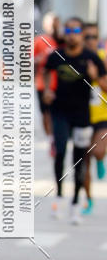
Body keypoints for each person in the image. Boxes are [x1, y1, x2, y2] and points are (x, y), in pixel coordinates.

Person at [43, 16, 107, 223]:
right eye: (68, 31)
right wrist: (47, 92)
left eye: (76, 31)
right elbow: (45, 72)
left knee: (79, 159)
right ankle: (60, 194)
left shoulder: (91, 57)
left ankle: (76, 202)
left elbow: (105, 85)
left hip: (82, 115)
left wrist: (95, 75)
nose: (72, 35)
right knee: (60, 152)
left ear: (81, 34)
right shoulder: (56, 56)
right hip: (60, 112)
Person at [81, 22, 107, 213]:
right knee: (83, 161)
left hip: (101, 114)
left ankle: (101, 158)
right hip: (81, 115)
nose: (90, 41)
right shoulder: (76, 58)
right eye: (87, 37)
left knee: (97, 151)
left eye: (94, 37)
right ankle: (88, 199)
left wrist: (95, 76)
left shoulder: (103, 59)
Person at [33, 13, 59, 148]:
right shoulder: (39, 40)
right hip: (43, 83)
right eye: (51, 23)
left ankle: (57, 136)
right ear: (45, 25)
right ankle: (51, 139)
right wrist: (36, 61)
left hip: (60, 83)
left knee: (57, 112)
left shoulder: (62, 41)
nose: (54, 26)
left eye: (56, 23)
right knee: (46, 113)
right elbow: (27, 60)